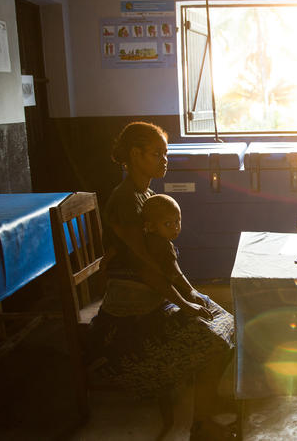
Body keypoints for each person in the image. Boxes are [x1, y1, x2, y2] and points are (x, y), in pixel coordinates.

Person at [89, 121, 236, 440]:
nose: (165, 160)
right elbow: (147, 268)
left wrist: (194, 295)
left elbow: (166, 265)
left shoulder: (147, 196)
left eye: (165, 153)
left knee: (226, 319)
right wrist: (185, 303)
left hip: (154, 301)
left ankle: (206, 403)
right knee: (213, 337)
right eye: (157, 153)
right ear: (135, 154)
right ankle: (201, 421)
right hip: (130, 318)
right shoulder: (126, 200)